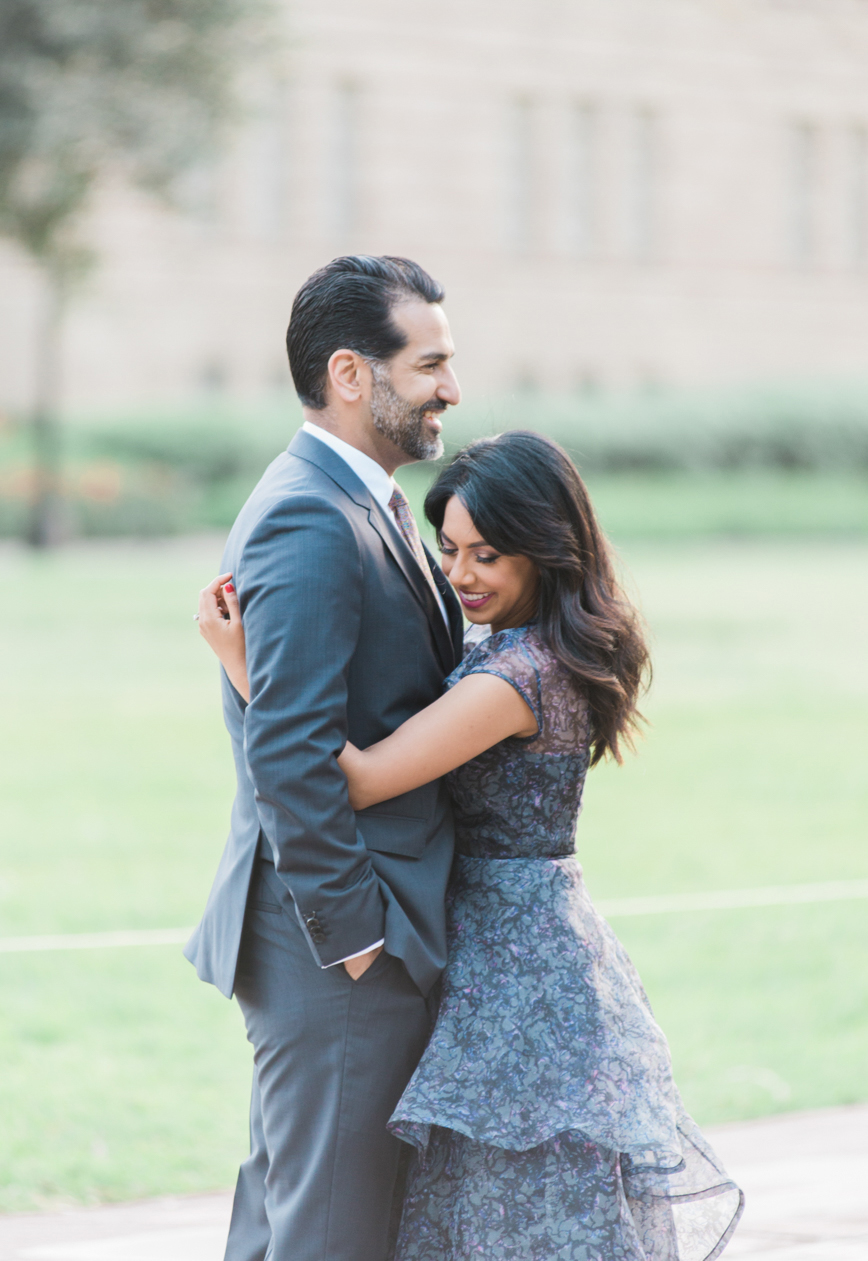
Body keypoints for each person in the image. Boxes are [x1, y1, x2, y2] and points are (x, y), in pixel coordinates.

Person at [197, 430, 743, 1257]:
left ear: (546, 550)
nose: (460, 575)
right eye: (448, 549)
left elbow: (361, 776)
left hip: (511, 966)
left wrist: (246, 667)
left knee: (508, 1213)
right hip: (523, 941)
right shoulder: (533, 651)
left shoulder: (516, 678)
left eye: (486, 554)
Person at [182, 255, 463, 1260]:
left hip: (348, 935)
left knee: (290, 1219)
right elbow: (290, 748)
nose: (449, 389)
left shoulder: (368, 501)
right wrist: (356, 939)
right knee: (329, 1234)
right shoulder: (309, 512)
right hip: (335, 944)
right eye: (429, 363)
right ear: (353, 374)